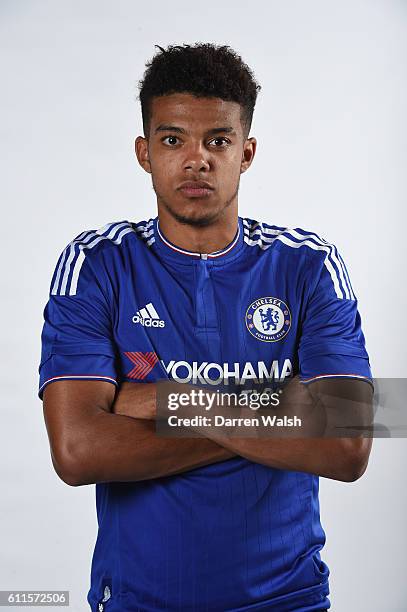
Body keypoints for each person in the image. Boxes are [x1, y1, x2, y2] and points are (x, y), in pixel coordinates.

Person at [39, 43, 373, 612]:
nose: (197, 159)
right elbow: (77, 452)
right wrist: (279, 419)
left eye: (218, 140)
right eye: (174, 140)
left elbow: (347, 445)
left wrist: (165, 401)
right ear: (145, 153)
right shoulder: (96, 264)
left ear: (246, 152)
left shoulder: (310, 264)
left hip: (288, 599)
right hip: (139, 600)